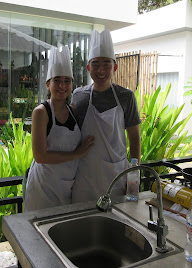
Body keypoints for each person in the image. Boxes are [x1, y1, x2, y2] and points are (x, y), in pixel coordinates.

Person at [71, 29, 141, 203]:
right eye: (95, 64)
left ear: (115, 67)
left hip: (116, 177)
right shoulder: (78, 96)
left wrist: (133, 176)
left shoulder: (126, 96)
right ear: (88, 68)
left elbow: (135, 139)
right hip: (84, 176)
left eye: (106, 64)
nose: (100, 70)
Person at [24, 46, 95, 211]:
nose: (62, 85)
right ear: (48, 84)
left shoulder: (73, 110)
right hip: (43, 187)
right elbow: (40, 156)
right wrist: (77, 154)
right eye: (57, 80)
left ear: (72, 84)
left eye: (67, 81)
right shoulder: (41, 112)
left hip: (66, 186)